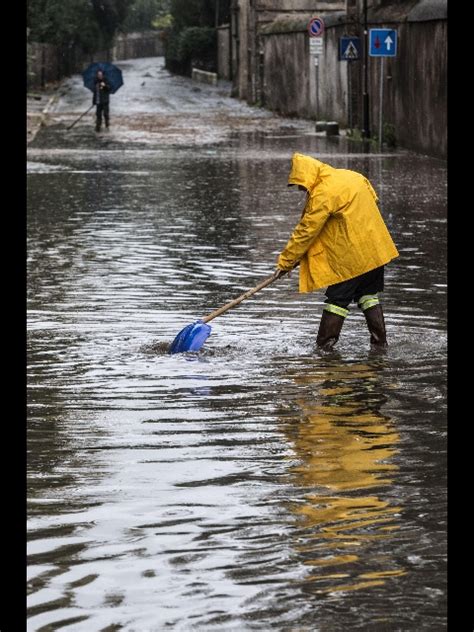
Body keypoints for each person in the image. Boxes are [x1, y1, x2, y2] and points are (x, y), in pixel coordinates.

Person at [276, 152, 399, 350]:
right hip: (375, 251)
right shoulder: (353, 176)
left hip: (351, 258)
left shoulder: (323, 192)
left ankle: (324, 348)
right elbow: (372, 200)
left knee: (336, 300)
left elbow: (307, 230)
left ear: (307, 177)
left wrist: (286, 261)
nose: (301, 189)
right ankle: (380, 344)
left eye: (301, 184)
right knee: (368, 295)